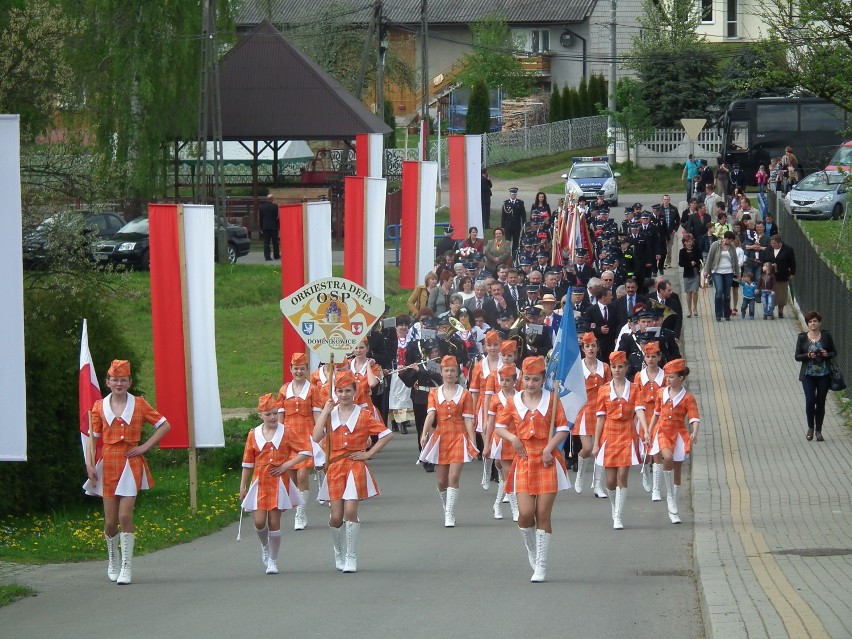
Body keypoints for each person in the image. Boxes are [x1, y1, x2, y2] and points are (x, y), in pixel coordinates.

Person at [84, 359, 172, 585]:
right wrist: (90, 465)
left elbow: (164, 425)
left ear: (129, 382)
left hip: (131, 463)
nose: (119, 384)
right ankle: (113, 559)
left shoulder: (140, 404)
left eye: (123, 380)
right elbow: (92, 440)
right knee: (110, 522)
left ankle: (127, 566)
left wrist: (144, 447)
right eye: (115, 380)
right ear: (107, 382)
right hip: (108, 464)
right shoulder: (98, 406)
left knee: (125, 516)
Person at [495, 356, 571, 582]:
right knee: (525, 514)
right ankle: (532, 550)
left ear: (542, 380)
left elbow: (563, 428)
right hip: (524, 459)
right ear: (521, 379)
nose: (530, 384)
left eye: (536, 380)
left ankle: (541, 565)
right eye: (527, 379)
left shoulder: (553, 399)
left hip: (547, 461)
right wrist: (513, 438)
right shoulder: (513, 402)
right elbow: (499, 427)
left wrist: (549, 448)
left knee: (542, 514)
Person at [313, 371, 394, 573]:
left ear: (355, 391)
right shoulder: (330, 414)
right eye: (339, 391)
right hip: (334, 467)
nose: (343, 395)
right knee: (336, 516)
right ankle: (338, 550)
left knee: (350, 511)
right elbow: (315, 437)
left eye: (347, 391)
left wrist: (368, 454)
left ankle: (351, 555)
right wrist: (324, 412)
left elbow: (386, 434)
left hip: (355, 465)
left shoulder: (364, 415)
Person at [240, 393, 311, 574]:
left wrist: (287, 465)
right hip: (259, 482)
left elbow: (306, 450)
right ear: (261, 415)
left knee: (274, 522)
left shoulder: (286, 432)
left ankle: (273, 559)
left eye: (274, 413)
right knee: (259, 522)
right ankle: (265, 545)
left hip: (279, 482)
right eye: (268, 414)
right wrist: (243, 485)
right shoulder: (253, 435)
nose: (272, 417)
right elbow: (248, 462)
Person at [592, 351, 649, 530]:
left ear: (626, 368)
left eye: (621, 367)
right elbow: (600, 417)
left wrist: (646, 431)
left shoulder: (634, 389)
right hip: (609, 436)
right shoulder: (603, 390)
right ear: (611, 368)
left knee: (622, 476)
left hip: (627, 434)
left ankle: (618, 515)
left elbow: (640, 410)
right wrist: (595, 443)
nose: (617, 370)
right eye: (614, 367)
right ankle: (613, 506)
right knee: (610, 480)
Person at [419, 355, 477, 527]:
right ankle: (447, 507)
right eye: (446, 371)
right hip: (441, 436)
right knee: (441, 481)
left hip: (459, 436)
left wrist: (472, 443)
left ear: (457, 372)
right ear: (441, 373)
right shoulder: (434, 393)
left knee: (453, 477)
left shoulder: (465, 394)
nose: (450, 374)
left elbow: (468, 420)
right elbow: (431, 415)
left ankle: (450, 513)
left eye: (453, 370)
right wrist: (424, 434)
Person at [647, 359, 700, 524]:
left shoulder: (687, 398)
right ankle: (670, 496)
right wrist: (649, 432)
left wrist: (694, 432)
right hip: (662, 431)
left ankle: (673, 504)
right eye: (667, 377)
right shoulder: (661, 393)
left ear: (681, 378)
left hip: (678, 434)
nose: (668, 380)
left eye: (671, 377)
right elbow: (656, 413)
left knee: (677, 471)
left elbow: (694, 418)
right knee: (667, 458)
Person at [276, 353, 322, 531]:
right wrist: (277, 439)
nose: (299, 371)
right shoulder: (283, 390)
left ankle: (300, 514)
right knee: (292, 479)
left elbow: (317, 414)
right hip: (289, 439)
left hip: (306, 437)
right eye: (296, 369)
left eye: (302, 369)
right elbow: (280, 417)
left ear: (306, 370)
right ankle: (298, 507)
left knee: (303, 475)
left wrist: (320, 435)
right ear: (291, 369)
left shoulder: (312, 390)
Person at [572, 332, 612, 499]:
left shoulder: (605, 367)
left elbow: (610, 388)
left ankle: (597, 485)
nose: (590, 349)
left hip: (602, 411)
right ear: (583, 348)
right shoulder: (578, 367)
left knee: (601, 450)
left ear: (597, 347)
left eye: (593, 346)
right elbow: (572, 390)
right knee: (588, 448)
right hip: (584, 410)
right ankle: (580, 474)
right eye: (587, 346)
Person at [484, 363, 520, 521]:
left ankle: (497, 504)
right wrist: (486, 445)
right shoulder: (495, 399)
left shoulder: (521, 396)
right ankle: (515, 510)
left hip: (517, 440)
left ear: (515, 380)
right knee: (508, 475)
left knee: (515, 476)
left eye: (508, 380)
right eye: (502, 380)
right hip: (501, 440)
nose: (504, 383)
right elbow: (491, 423)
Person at [794, 311, 837, 442]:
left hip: (823, 374)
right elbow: (797, 356)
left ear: (819, 323)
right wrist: (808, 355)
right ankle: (810, 428)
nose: (813, 323)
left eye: (815, 321)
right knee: (810, 401)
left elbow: (834, 352)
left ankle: (818, 431)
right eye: (810, 322)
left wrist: (826, 354)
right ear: (807, 324)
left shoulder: (826, 336)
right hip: (808, 375)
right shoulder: (802, 337)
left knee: (820, 402)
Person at [702, 231, 740, 322]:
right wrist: (706, 270)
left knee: (727, 294)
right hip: (717, 271)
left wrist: (738, 272)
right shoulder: (716, 245)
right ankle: (718, 314)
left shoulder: (732, 247)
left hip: (729, 272)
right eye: (729, 240)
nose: (729, 242)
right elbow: (710, 258)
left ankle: (727, 314)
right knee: (719, 292)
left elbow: (735, 259)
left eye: (731, 241)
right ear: (725, 238)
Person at [765, 235, 795, 319]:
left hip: (782, 276)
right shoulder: (768, 249)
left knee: (782, 295)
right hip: (770, 276)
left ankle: (780, 311)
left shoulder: (788, 250)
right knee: (771, 295)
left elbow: (792, 263)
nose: (773, 245)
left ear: (779, 243)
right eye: (772, 243)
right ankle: (771, 311)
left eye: (774, 243)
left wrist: (792, 273)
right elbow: (764, 260)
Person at [679, 233, 702, 317]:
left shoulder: (697, 250)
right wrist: (689, 263)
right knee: (688, 292)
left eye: (690, 241)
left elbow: (701, 260)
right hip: (687, 273)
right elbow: (681, 263)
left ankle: (695, 308)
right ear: (684, 242)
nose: (689, 243)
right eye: (687, 241)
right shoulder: (682, 251)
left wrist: (695, 262)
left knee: (695, 291)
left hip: (696, 272)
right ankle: (689, 310)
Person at [501, 187, 527, 253]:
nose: (513, 195)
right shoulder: (506, 203)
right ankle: (507, 255)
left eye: (515, 194)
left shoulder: (520, 203)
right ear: (510, 194)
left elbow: (523, 214)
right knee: (508, 242)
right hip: (508, 226)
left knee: (515, 242)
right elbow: (503, 216)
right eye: (512, 194)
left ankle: (514, 256)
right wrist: (502, 226)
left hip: (516, 226)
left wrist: (524, 224)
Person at [258, 193, 280, 261]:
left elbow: (261, 218)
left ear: (267, 199)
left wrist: (261, 228)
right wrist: (279, 227)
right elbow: (277, 217)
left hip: (265, 227)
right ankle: (276, 256)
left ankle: (267, 257)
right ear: (272, 199)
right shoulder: (275, 206)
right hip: (274, 227)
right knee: (275, 242)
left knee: (266, 242)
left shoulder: (262, 207)